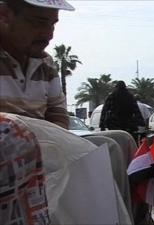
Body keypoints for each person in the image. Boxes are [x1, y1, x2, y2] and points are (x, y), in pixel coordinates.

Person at [0, 0, 136, 224]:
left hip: (46, 141)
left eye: (53, 24)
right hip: (10, 144)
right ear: (5, 15)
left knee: (119, 141)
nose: (48, 34)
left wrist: (55, 145)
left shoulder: (45, 64)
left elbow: (57, 113)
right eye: (38, 23)